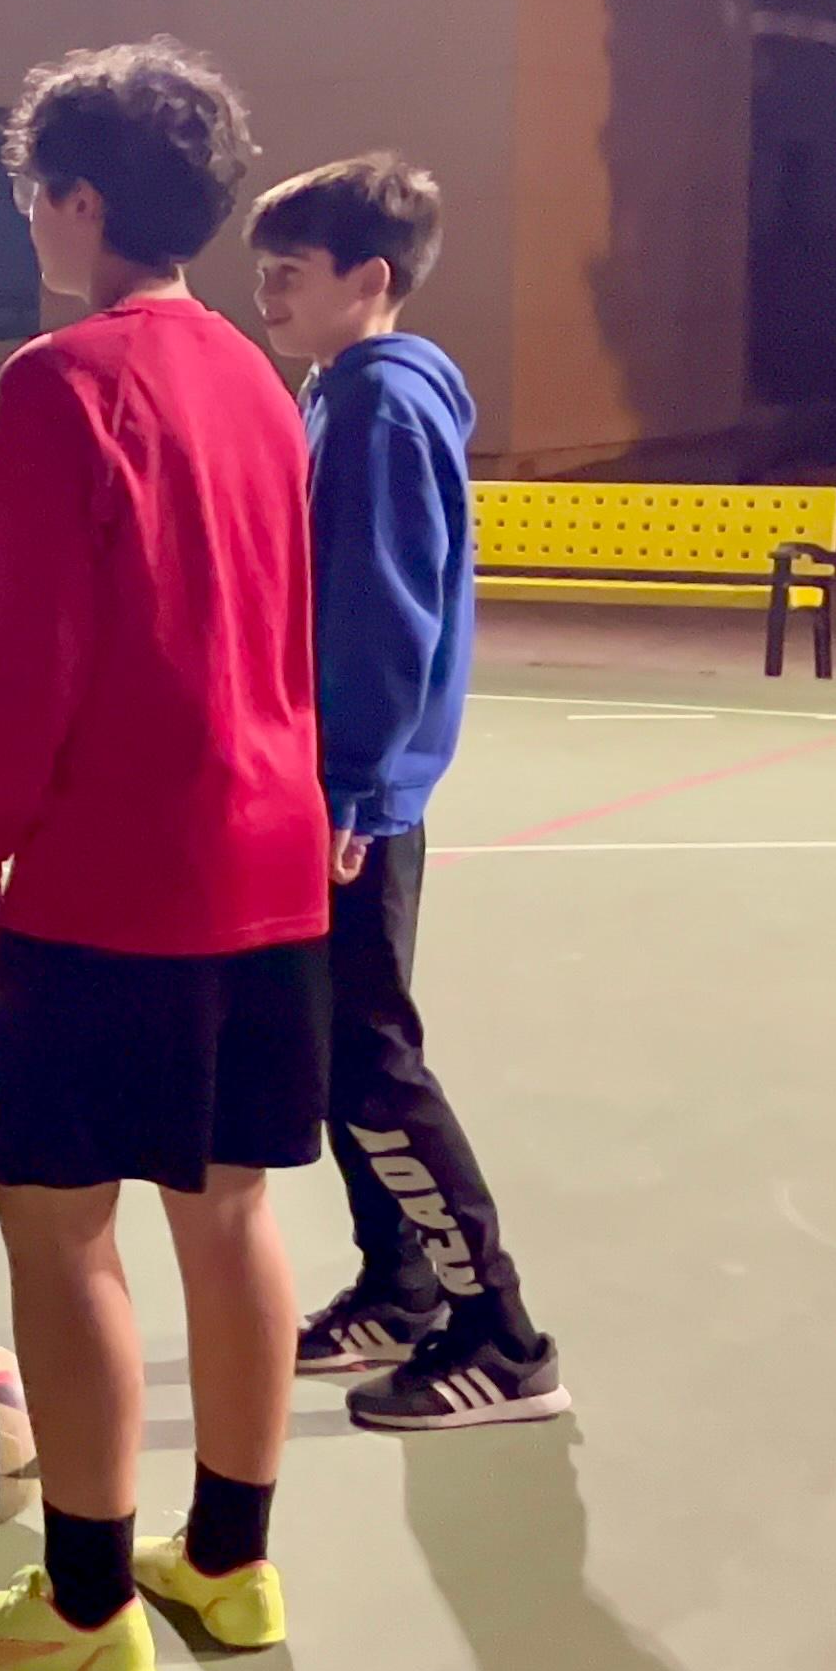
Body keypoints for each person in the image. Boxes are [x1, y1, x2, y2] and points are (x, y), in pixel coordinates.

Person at [0, 41, 329, 1671]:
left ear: (80, 199)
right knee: (229, 1212)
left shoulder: (60, 380)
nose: (34, 221)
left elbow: (43, 666)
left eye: (38, 193)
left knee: (61, 1227)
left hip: (121, 873)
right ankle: (230, 1569)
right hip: (270, 858)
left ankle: (83, 1607)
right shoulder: (259, 382)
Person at [248, 154, 567, 1431]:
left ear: (367, 280)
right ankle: (404, 1283)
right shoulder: (348, 390)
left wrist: (355, 788)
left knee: (370, 1060)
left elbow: (381, 612)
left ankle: (505, 1336)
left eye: (288, 275)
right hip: (344, 789)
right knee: (340, 1052)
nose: (265, 295)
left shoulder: (377, 404)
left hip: (353, 799)